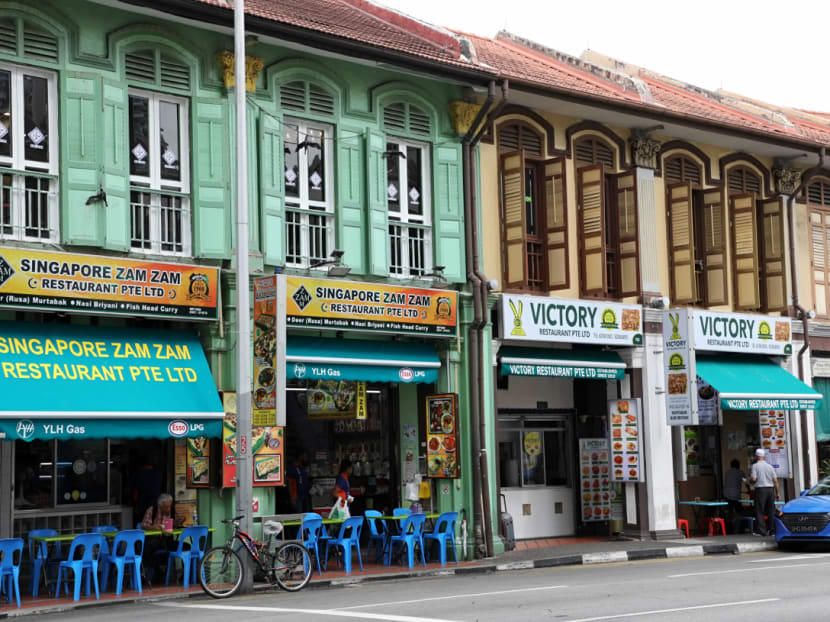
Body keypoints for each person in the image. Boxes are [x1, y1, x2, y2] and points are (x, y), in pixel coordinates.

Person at [750, 448, 779, 536]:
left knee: (759, 510)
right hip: (770, 490)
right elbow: (775, 481)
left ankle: (761, 531)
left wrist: (749, 481)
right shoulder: (770, 466)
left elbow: (754, 479)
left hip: (760, 490)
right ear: (763, 456)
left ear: (756, 456)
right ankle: (772, 530)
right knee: (771, 510)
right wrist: (777, 493)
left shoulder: (755, 466)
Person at [724, 459, 748, 533]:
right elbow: (745, 482)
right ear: (738, 466)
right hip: (735, 496)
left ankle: (728, 528)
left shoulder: (727, 472)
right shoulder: (740, 472)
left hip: (726, 494)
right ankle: (740, 528)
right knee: (741, 512)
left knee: (729, 511)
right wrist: (749, 489)